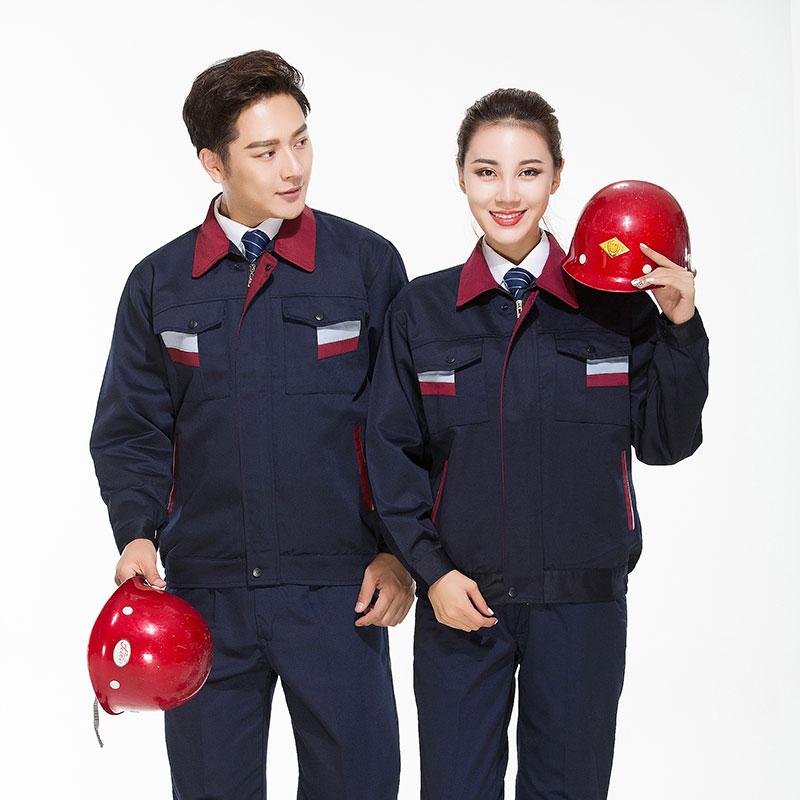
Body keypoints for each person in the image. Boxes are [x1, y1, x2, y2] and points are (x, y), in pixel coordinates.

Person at [366, 88, 709, 799]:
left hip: (582, 608)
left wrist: (679, 327)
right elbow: (391, 459)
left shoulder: (616, 307)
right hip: (462, 603)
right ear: (460, 176)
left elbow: (666, 442)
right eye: (486, 171)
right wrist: (432, 573)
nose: (506, 193)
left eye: (528, 171)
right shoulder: (421, 312)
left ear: (557, 177)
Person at [90, 50, 412, 800]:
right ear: (213, 163)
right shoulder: (160, 283)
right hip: (205, 596)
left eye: (300, 140)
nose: (293, 167)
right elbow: (132, 427)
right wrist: (135, 532)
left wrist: (400, 555)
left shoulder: (365, 265)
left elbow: (406, 427)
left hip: (340, 593)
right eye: (265, 152)